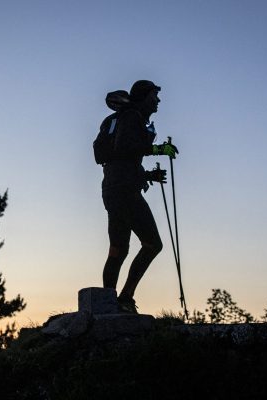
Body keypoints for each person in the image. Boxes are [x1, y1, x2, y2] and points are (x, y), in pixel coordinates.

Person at [100, 80, 178, 314]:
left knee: (118, 249)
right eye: (155, 96)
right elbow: (127, 147)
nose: (158, 101)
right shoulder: (133, 117)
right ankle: (125, 298)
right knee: (153, 244)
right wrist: (157, 149)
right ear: (144, 97)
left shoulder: (116, 120)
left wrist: (148, 174)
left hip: (112, 189)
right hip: (126, 191)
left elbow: (118, 158)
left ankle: (108, 303)